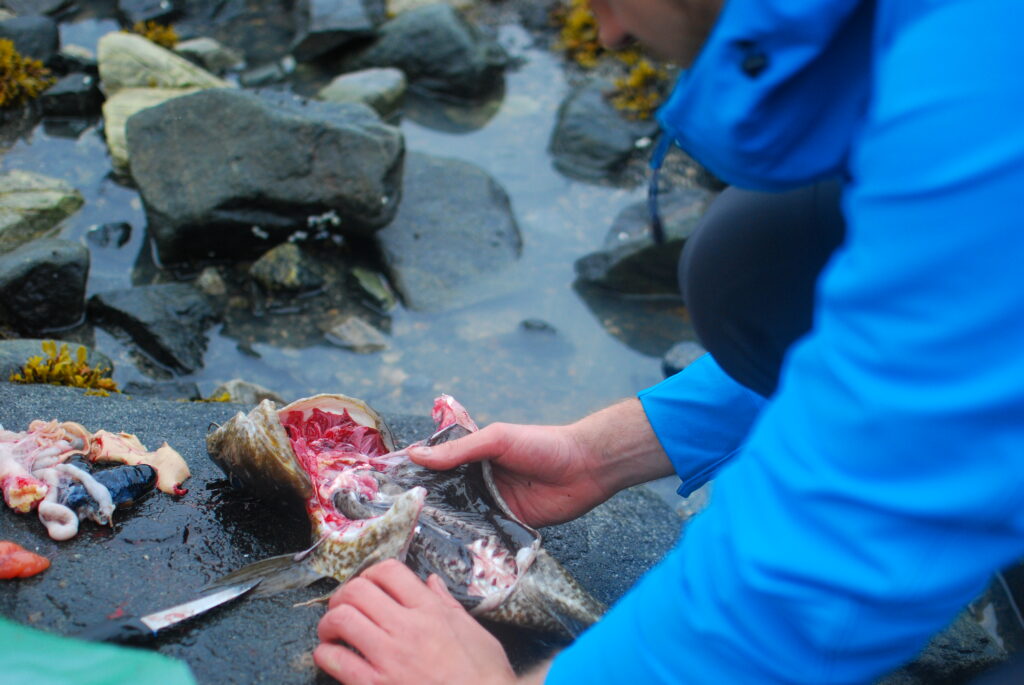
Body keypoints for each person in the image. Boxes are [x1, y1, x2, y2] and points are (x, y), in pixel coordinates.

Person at [314, 0, 1024, 682]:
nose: (611, 33)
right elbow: (923, 321)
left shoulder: (985, 78)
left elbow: (854, 524)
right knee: (756, 265)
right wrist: (610, 448)